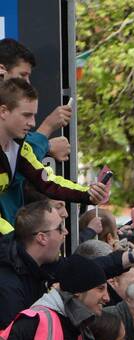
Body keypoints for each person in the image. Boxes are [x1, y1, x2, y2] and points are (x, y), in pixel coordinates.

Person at [0, 78, 108, 236]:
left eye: (34, 115)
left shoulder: (21, 148)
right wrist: (14, 242)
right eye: (26, 115)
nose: (32, 123)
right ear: (3, 111)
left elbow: (47, 180)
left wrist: (88, 193)